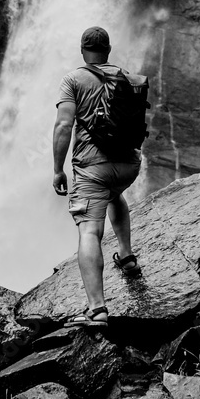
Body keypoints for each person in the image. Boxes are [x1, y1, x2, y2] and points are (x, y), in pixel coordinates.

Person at [53, 26, 142, 328]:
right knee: (114, 194)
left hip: (94, 169)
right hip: (129, 166)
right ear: (108, 50)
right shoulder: (127, 77)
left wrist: (57, 169)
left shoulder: (73, 79)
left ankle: (97, 309)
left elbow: (64, 126)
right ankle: (127, 257)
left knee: (90, 232)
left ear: (82, 51)